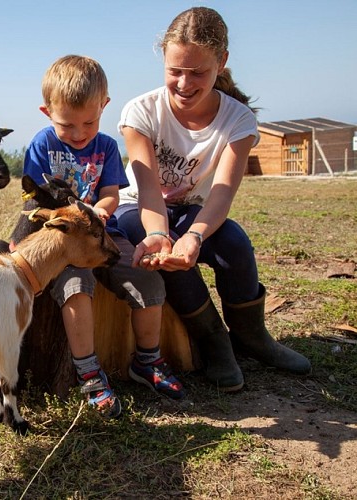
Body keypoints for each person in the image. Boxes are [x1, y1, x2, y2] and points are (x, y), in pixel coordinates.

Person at [115, 7, 311, 393]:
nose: (184, 83)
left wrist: (196, 237)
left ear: (221, 63)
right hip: (140, 207)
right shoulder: (140, 112)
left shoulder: (238, 121)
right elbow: (149, 190)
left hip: (193, 212)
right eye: (175, 71)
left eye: (198, 72)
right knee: (151, 236)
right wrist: (161, 237)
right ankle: (214, 343)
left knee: (234, 242)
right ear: (164, 60)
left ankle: (252, 339)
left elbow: (222, 193)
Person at [23, 55, 186, 418]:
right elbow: (37, 199)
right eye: (68, 125)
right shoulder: (40, 144)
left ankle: (147, 360)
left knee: (146, 278)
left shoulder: (108, 147)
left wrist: (101, 209)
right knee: (76, 287)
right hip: (59, 241)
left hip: (103, 234)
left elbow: (111, 193)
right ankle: (89, 373)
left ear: (104, 106)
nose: (80, 133)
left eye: (90, 122)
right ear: (46, 112)